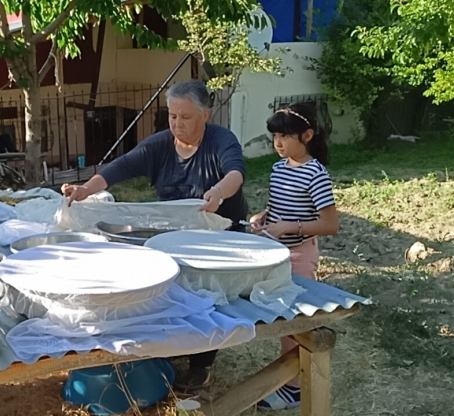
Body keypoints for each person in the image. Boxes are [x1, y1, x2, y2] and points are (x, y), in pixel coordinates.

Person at [61, 79, 249, 390]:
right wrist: (84, 190)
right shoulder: (160, 145)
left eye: (186, 117)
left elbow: (236, 173)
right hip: (174, 236)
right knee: (170, 292)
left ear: (205, 114)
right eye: (172, 116)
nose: (177, 124)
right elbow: (118, 168)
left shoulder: (220, 140)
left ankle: (201, 364)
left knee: (209, 296)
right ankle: (173, 346)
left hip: (219, 238)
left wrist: (217, 192)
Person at [249, 102, 339, 410]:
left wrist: (293, 226)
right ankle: (289, 379)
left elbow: (330, 224)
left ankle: (298, 386)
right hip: (275, 252)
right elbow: (279, 206)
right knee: (282, 318)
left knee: (297, 321)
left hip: (300, 255)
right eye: (274, 136)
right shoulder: (278, 168)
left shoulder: (316, 174)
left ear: (307, 136)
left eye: (285, 136)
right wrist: (263, 217)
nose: (278, 143)